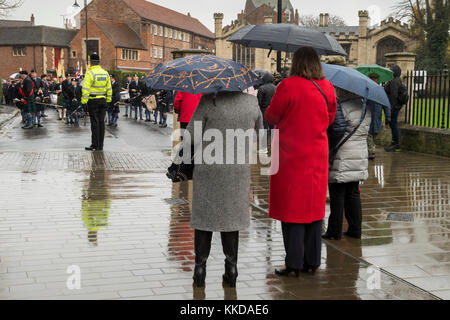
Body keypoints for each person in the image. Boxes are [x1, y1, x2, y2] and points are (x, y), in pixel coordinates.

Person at [265, 47, 337, 277]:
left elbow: (271, 116)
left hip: (291, 156)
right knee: (314, 209)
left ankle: (294, 263)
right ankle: (312, 261)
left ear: (296, 62)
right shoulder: (327, 86)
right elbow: (331, 117)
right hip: (317, 154)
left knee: (292, 209)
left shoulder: (288, 85)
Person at [184, 91, 263, 288]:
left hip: (209, 167)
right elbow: (260, 135)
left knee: (204, 218)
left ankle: (200, 270)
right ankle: (231, 269)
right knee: (232, 217)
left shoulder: (209, 100)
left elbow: (191, 137)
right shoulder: (252, 102)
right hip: (237, 170)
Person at [323, 88, 371, 240]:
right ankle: (355, 229)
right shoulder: (365, 108)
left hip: (343, 155)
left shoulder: (342, 107)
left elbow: (337, 130)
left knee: (337, 194)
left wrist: (330, 147)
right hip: (359, 154)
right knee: (353, 193)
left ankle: (334, 231)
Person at [81, 53, 112, 151]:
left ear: (91, 62)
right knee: (101, 123)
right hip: (103, 100)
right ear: (99, 62)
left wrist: (83, 102)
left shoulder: (90, 73)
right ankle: (100, 145)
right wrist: (108, 100)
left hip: (93, 101)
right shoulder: (105, 73)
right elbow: (109, 89)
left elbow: (85, 89)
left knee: (94, 123)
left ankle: (94, 144)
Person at [367, 73, 391, 160]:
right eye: (372, 78)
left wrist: (388, 116)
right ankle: (371, 151)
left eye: (375, 79)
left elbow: (386, 104)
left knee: (374, 134)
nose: (374, 80)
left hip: (377, 116)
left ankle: (370, 149)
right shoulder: (366, 89)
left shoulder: (381, 90)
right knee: (368, 134)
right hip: (368, 115)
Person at [385, 65, 403, 152]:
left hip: (394, 106)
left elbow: (393, 96)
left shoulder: (394, 82)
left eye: (391, 71)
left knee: (393, 124)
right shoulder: (397, 80)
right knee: (393, 124)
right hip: (396, 106)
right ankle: (394, 143)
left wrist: (390, 109)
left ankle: (396, 144)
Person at [257, 72, 276, 152]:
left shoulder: (262, 88)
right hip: (274, 110)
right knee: (273, 130)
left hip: (264, 110)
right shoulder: (276, 88)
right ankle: (274, 146)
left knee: (264, 129)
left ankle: (264, 148)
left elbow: (259, 102)